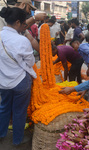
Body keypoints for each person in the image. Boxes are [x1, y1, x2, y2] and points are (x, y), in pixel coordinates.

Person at [0, 7, 36, 145]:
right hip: (20, 82)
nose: (24, 27)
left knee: (4, 107)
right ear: (17, 23)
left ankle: (1, 133)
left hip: (2, 81)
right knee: (19, 111)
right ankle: (17, 140)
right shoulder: (22, 40)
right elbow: (31, 62)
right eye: (24, 24)